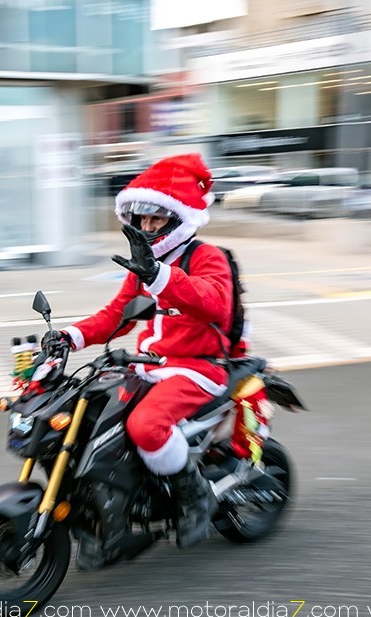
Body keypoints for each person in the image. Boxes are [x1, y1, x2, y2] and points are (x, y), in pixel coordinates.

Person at [42, 153, 234, 567]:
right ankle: (102, 525)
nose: (147, 228)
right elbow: (116, 316)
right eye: (141, 220)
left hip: (197, 368)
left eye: (156, 220)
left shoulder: (205, 258)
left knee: (146, 426)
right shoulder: (142, 267)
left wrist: (160, 275)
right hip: (146, 365)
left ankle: (195, 497)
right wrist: (68, 337)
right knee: (87, 419)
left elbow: (215, 304)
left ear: (179, 218)